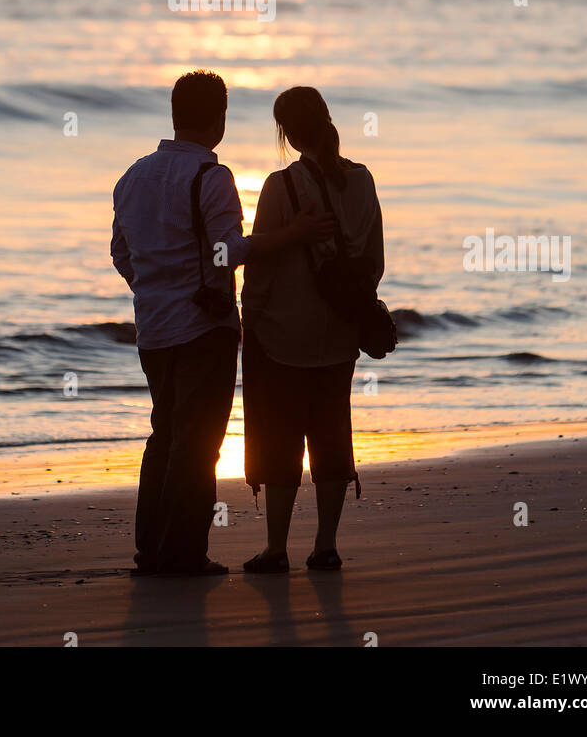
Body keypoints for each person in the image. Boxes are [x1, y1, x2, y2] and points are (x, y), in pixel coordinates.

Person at [111, 70, 334, 578]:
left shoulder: (132, 176)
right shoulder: (211, 177)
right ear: (220, 117)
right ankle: (185, 554)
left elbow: (121, 253)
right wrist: (292, 234)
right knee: (197, 442)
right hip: (202, 329)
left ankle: (152, 550)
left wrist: (152, 289)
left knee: (163, 434)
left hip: (153, 328)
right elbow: (225, 252)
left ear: (175, 113)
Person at [241, 86, 385, 573]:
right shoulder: (363, 182)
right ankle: (325, 545)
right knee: (331, 434)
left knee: (280, 440)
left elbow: (259, 263)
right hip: (342, 336)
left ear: (285, 133)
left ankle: (276, 549)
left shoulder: (280, 188)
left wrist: (250, 316)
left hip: (283, 334)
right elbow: (374, 263)